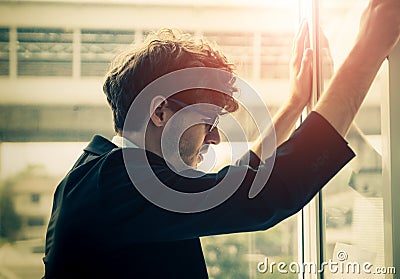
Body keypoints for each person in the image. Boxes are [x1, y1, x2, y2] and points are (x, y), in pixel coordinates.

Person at [43, 0, 400, 278]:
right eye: (207, 121)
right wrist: (370, 46)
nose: (215, 139)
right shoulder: (123, 185)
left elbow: (235, 183)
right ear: (160, 111)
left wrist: (294, 106)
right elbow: (264, 195)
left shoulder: (99, 177)